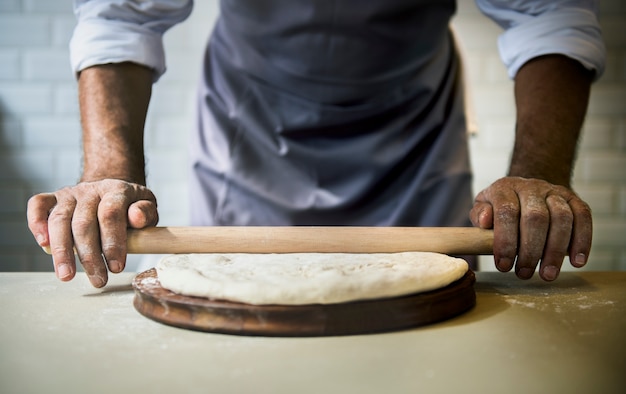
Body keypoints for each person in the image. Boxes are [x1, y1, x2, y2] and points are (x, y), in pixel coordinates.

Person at [26, 0, 605, 288]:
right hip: (246, 131)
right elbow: (121, 16)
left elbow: (548, 14)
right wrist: (108, 170)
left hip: (414, 137)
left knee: (421, 331)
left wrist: (539, 173)